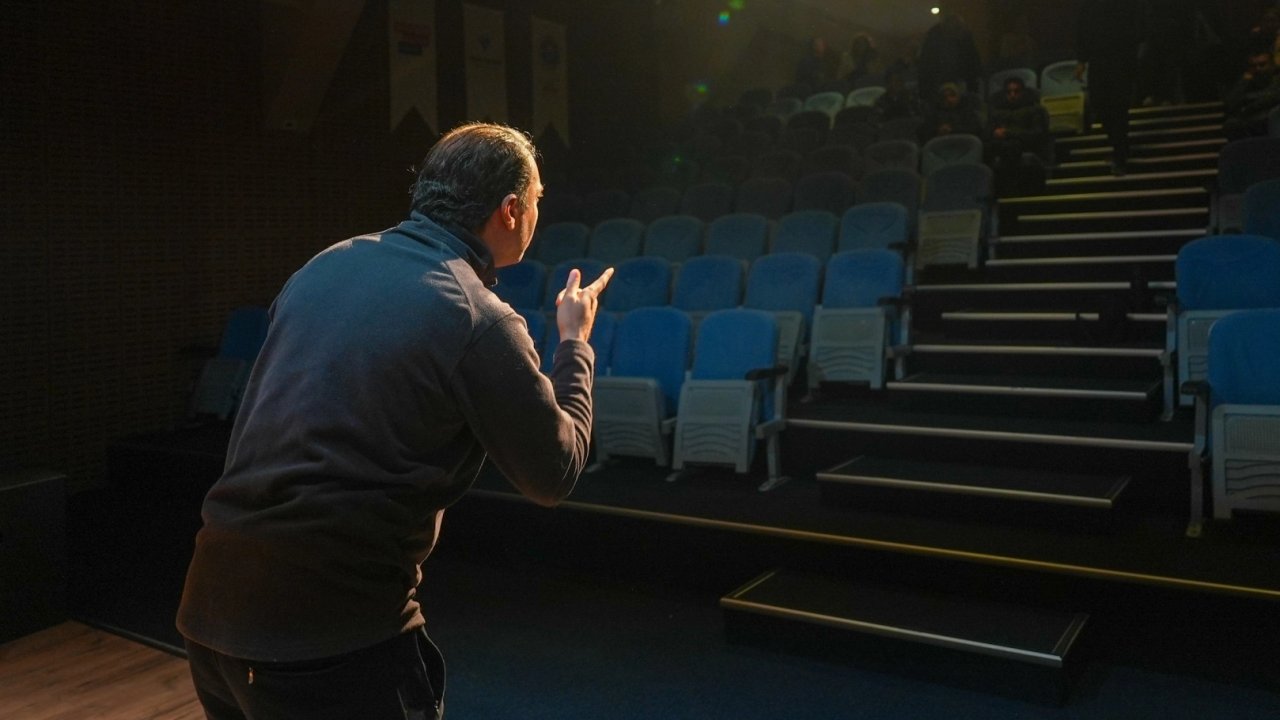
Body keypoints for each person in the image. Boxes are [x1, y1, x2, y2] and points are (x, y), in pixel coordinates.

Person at [176, 122, 613, 720]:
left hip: (210, 611)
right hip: (328, 636)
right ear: (511, 210)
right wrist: (574, 342)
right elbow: (554, 472)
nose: (537, 212)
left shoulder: (323, 266)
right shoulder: (475, 313)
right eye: (537, 199)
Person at [1075, 0, 1145, 175]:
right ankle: (1120, 147)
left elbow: (1136, 23)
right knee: (1101, 104)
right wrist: (1081, 59)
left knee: (1117, 107)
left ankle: (1120, 153)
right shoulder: (1089, 5)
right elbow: (1082, 27)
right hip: (1100, 59)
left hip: (1120, 58)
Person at [986, 76, 1051, 194]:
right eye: (1009, 92)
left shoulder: (1035, 110)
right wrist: (995, 133)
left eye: (1016, 91)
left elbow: (1038, 134)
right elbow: (988, 132)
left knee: (1012, 146)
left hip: (1027, 145)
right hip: (1001, 145)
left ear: (1023, 92)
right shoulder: (996, 113)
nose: (1012, 95)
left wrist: (1009, 133)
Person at [916, 10, 983, 101]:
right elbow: (926, 63)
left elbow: (972, 60)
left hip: (954, 80)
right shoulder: (934, 37)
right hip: (941, 81)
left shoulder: (963, 37)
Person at [1224, 48, 1280, 139]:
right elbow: (1230, 103)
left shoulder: (1277, 80)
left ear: (1272, 65)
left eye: (1262, 64)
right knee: (1231, 124)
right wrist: (1244, 81)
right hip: (1250, 121)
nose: (1258, 68)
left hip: (1270, 120)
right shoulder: (1247, 81)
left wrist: (1247, 102)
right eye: (1253, 66)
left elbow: (1273, 97)